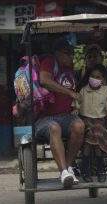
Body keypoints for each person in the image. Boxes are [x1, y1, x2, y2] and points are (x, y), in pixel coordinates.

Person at [36, 37, 85, 188]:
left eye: (72, 53)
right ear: (58, 53)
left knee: (79, 126)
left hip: (65, 116)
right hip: (44, 119)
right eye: (67, 53)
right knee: (54, 128)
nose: (71, 56)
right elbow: (44, 80)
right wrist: (70, 93)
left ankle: (68, 168)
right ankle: (63, 171)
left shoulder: (69, 67)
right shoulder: (50, 62)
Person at [78, 44, 107, 170]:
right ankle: (79, 160)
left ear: (101, 58)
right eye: (90, 57)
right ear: (85, 60)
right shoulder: (80, 73)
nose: (93, 59)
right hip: (85, 112)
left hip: (102, 111)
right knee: (77, 127)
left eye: (96, 56)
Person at [72, 64, 107, 182]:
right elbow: (76, 107)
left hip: (99, 123)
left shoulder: (106, 92)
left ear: (102, 79)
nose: (95, 79)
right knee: (91, 135)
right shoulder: (83, 91)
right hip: (84, 122)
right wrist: (75, 110)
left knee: (94, 134)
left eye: (98, 77)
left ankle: (87, 169)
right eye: (92, 76)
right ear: (88, 77)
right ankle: (100, 169)